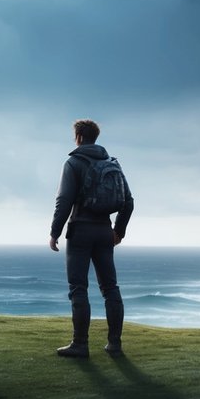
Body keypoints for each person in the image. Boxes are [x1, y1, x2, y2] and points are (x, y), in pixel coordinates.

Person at [48, 119, 134, 358]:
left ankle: (80, 344)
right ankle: (114, 344)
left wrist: (55, 232)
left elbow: (63, 201)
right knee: (110, 287)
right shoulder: (112, 163)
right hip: (105, 231)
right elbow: (129, 201)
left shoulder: (73, 163)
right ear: (95, 137)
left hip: (81, 231)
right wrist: (119, 231)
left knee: (78, 287)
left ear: (78, 137)